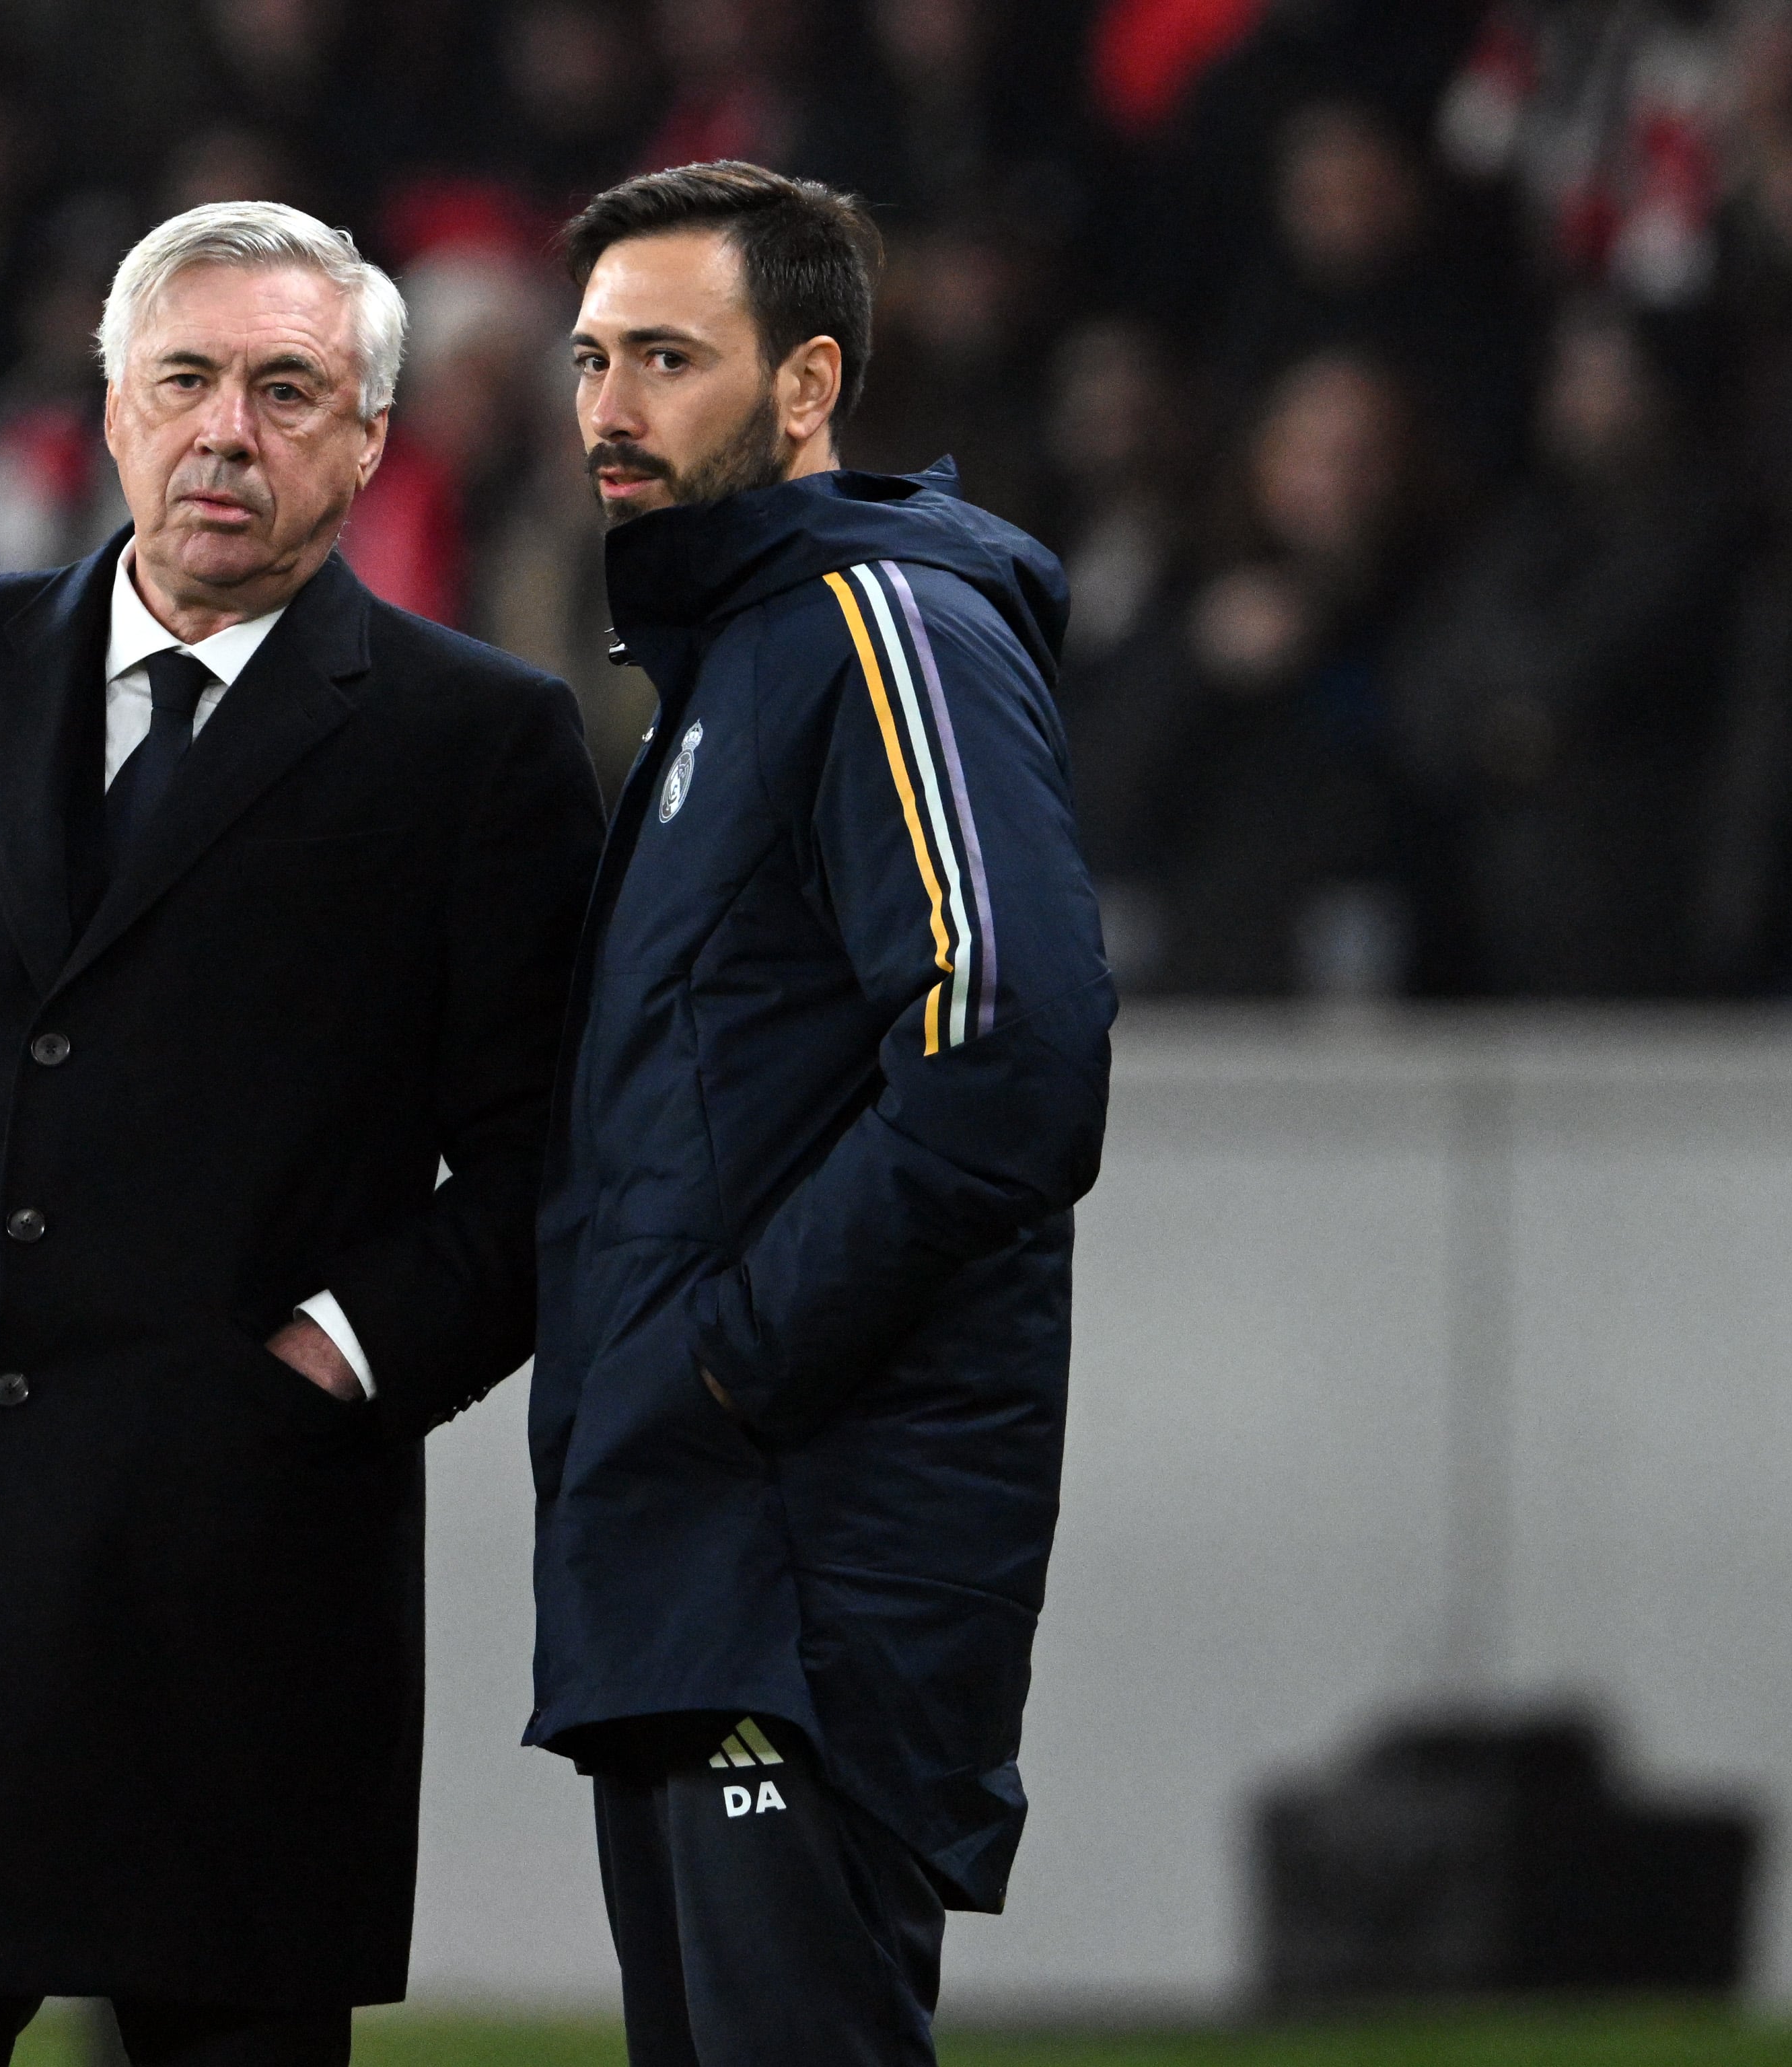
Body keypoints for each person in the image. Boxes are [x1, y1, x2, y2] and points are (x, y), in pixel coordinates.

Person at [0, 200, 602, 2066]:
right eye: (186, 380)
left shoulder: (477, 745)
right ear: (113, 409)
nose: (228, 432)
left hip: (250, 1603)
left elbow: (546, 1161)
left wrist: (338, 1359)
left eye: (290, 391)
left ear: (371, 441)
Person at [528, 161, 1116, 2066]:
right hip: (699, 1561)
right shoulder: (730, 668)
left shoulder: (885, 624)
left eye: (671, 359)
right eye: (594, 356)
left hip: (805, 1564)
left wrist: (726, 1363)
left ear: (807, 386)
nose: (610, 407)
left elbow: (1009, 1052)